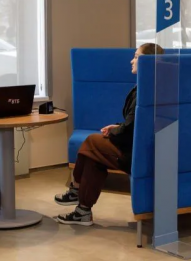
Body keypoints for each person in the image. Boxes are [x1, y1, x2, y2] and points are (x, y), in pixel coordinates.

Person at [55, 43, 164, 226]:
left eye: (136, 57)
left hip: (137, 155)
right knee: (93, 157)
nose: (132, 61)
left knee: (91, 141)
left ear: (148, 62)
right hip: (137, 148)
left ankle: (76, 191)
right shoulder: (152, 86)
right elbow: (134, 123)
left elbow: (130, 130)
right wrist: (118, 126)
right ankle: (82, 210)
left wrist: (114, 131)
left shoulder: (146, 91)